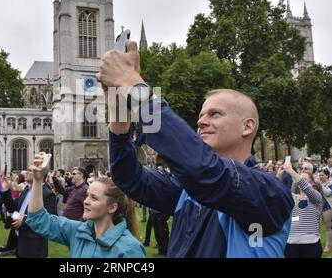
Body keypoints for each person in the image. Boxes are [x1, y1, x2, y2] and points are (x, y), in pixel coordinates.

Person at [96, 40, 294, 258]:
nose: (201, 122)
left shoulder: (269, 191)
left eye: (215, 114)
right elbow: (129, 178)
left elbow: (206, 172)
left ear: (247, 126)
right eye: (201, 116)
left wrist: (133, 85)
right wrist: (119, 114)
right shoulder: (187, 190)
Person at [26, 153, 146, 258]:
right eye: (87, 195)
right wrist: (38, 180)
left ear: (112, 207)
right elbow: (38, 219)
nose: (85, 201)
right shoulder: (77, 231)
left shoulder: (130, 249)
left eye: (94, 198)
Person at [0, 170, 57, 258]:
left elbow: (50, 220)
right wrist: (5, 189)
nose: (26, 172)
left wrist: (24, 220)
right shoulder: (26, 190)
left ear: (40, 174)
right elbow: (14, 210)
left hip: (34, 243)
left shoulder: (47, 194)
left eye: (30, 171)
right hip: (19, 239)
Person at [280, 164, 323, 258]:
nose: (300, 181)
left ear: (312, 183)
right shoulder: (292, 197)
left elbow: (306, 188)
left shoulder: (316, 198)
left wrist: (292, 171)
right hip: (291, 243)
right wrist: (278, 176)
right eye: (299, 179)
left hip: (311, 243)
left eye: (304, 180)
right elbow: (276, 194)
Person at [319, 169, 332, 252]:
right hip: (319, 207)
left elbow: (328, 193)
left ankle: (328, 246)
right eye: (319, 175)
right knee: (317, 227)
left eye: (322, 175)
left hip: (328, 207)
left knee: (328, 227)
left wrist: (320, 185)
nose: (320, 176)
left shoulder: (330, 183)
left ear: (327, 175)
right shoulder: (318, 184)